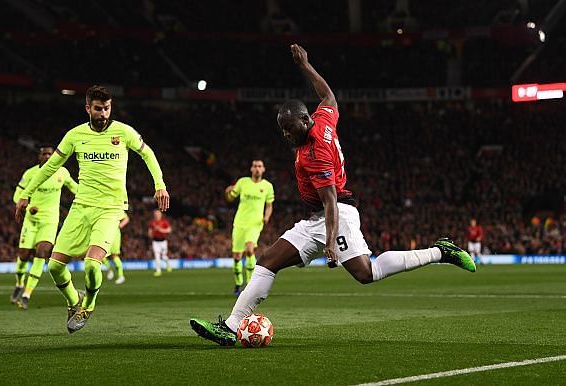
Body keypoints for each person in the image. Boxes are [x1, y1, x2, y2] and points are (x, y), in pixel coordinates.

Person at [190, 44, 476, 346]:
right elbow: (328, 96)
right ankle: (232, 327)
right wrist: (306, 66)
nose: (286, 135)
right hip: (317, 217)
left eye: (289, 129)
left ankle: (440, 252)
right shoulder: (323, 119)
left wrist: (328, 243)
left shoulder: (315, 152)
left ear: (303, 121)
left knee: (367, 272)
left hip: (337, 213)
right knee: (267, 261)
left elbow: (329, 201)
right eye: (282, 130)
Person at [15, 85, 169, 333]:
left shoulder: (124, 132)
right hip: (81, 207)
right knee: (54, 266)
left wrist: (160, 185)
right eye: (98, 109)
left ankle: (89, 304)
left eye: (107, 108)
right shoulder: (75, 135)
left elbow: (148, 154)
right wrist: (25, 194)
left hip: (110, 209)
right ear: (88, 108)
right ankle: (73, 301)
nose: (103, 113)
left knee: (91, 265)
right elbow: (51, 166)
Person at [10, 145, 78, 310]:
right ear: (39, 157)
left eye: (50, 154)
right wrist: (29, 206)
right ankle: (19, 283)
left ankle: (26, 294)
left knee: (41, 254)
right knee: (24, 256)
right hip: (31, 221)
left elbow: (76, 189)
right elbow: (16, 196)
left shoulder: (62, 172)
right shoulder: (30, 174)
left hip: (50, 221)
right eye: (44, 154)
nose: (48, 156)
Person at [225, 160, 274, 296]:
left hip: (255, 223)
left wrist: (266, 217)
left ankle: (250, 284)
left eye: (259, 166)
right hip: (240, 222)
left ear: (263, 169)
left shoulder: (267, 186)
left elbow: (269, 205)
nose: (257, 169)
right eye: (255, 166)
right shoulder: (243, 182)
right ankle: (238, 283)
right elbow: (230, 198)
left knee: (250, 249)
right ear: (251, 169)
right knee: (236, 256)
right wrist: (227, 192)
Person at [102, 212, 129, 284]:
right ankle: (109, 269)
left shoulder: (116, 206)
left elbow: (126, 219)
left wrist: (120, 225)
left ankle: (121, 276)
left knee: (114, 255)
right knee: (101, 254)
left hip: (114, 234)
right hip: (104, 233)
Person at [148, 209, 172, 276]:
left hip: (163, 241)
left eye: (158, 214)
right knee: (157, 256)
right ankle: (158, 271)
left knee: (164, 256)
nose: (157, 215)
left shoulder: (164, 222)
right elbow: (149, 232)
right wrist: (151, 233)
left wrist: (161, 230)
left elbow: (169, 230)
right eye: (156, 214)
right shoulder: (152, 223)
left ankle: (168, 264)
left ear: (161, 215)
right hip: (155, 241)